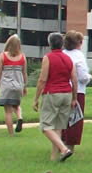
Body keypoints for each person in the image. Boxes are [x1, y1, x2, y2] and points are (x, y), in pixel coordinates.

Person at [32, 32, 76, 162]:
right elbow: (74, 79)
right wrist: (74, 98)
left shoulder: (48, 58)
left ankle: (64, 149)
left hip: (52, 93)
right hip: (66, 94)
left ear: (50, 43)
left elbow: (42, 79)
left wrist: (36, 98)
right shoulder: (68, 59)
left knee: (46, 126)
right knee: (58, 126)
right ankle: (54, 158)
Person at [61, 31, 92, 149]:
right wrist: (89, 78)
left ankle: (60, 143)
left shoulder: (62, 54)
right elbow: (83, 76)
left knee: (62, 118)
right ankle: (70, 146)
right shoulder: (79, 56)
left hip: (62, 89)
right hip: (77, 90)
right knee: (75, 119)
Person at [0, 34, 28, 135]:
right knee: (17, 105)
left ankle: (11, 133)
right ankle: (19, 117)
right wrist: (24, 86)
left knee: (8, 111)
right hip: (18, 85)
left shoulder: (3, 56)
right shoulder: (22, 57)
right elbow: (24, 73)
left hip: (6, 85)